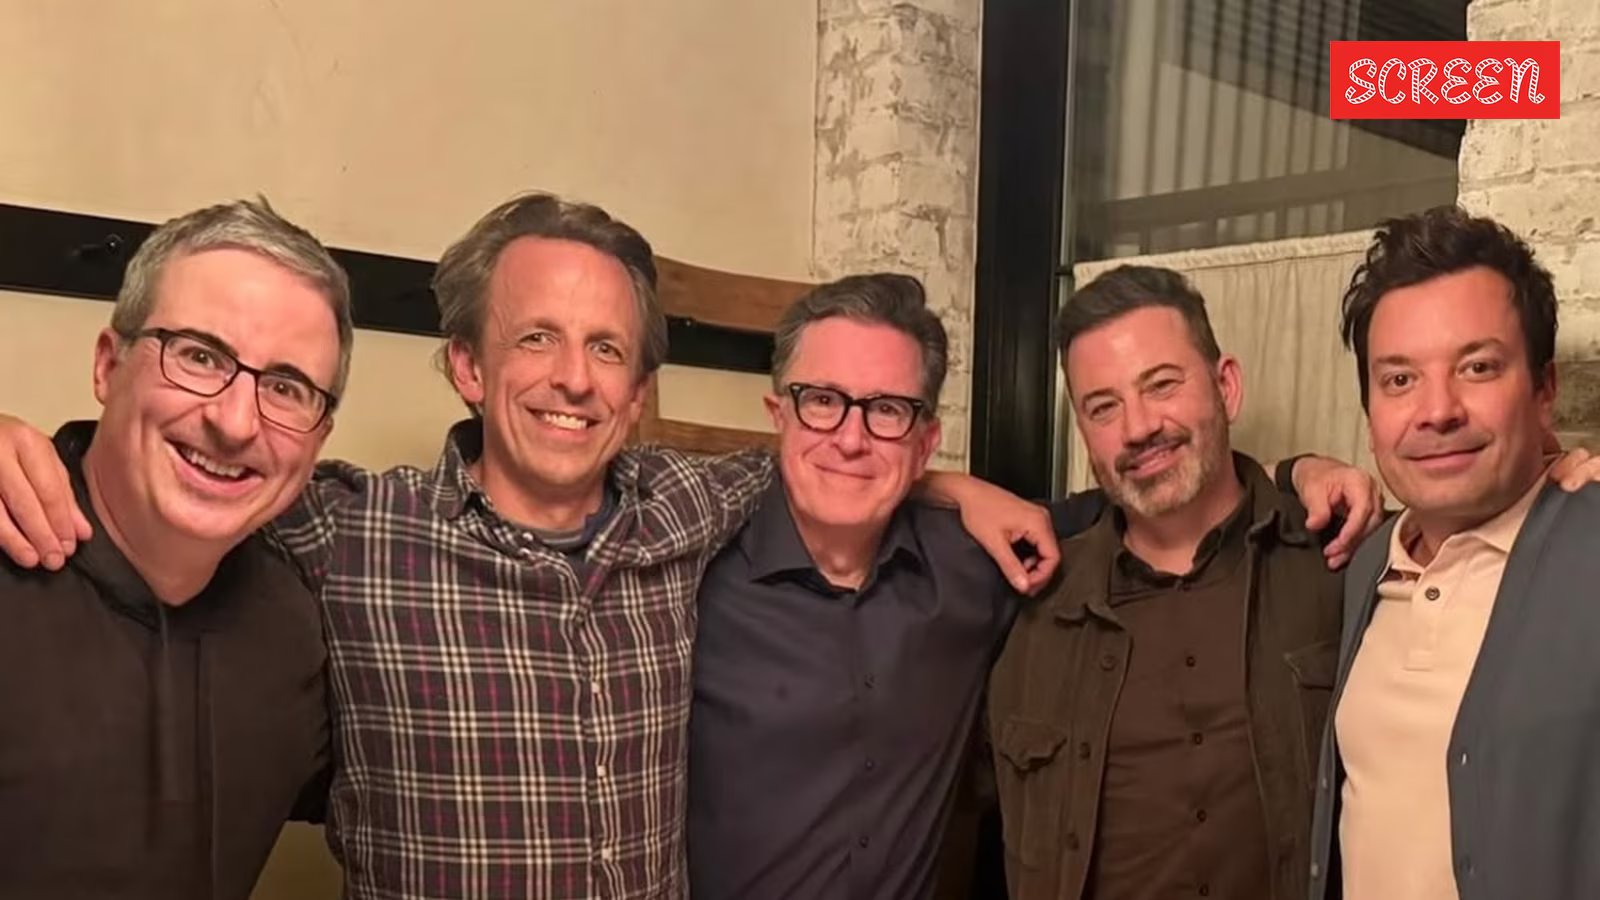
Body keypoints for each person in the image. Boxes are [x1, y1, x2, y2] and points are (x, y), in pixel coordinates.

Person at [0, 192, 1060, 900]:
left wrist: (955, 483)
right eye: (536, 338)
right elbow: (182, 476)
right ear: (467, 365)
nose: (572, 379)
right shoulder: (348, 530)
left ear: (637, 395)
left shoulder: (685, 510)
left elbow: (836, 457)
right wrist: (20, 448)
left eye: (605, 349)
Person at [987, 263, 1600, 900]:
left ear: (1227, 386)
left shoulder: (1345, 560)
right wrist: (952, 489)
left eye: (1162, 384)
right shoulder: (1024, 597)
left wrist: (1559, 492)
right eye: (1103, 407)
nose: (1138, 427)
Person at [687, 274, 1112, 899]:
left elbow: (1149, 503)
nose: (851, 439)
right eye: (822, 400)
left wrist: (1287, 476)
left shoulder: (976, 560)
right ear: (779, 415)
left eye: (887, 410)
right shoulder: (692, 576)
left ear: (925, 443)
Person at [0, 199, 348, 899]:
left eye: (286, 387)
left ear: (319, 439)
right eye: (199, 355)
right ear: (109, 365)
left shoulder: (297, 630)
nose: (235, 422)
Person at [1309, 207, 1600, 900]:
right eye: (1399, 380)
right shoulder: (1366, 564)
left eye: (1477, 367)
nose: (1437, 411)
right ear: (1370, 413)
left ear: (1544, 390)